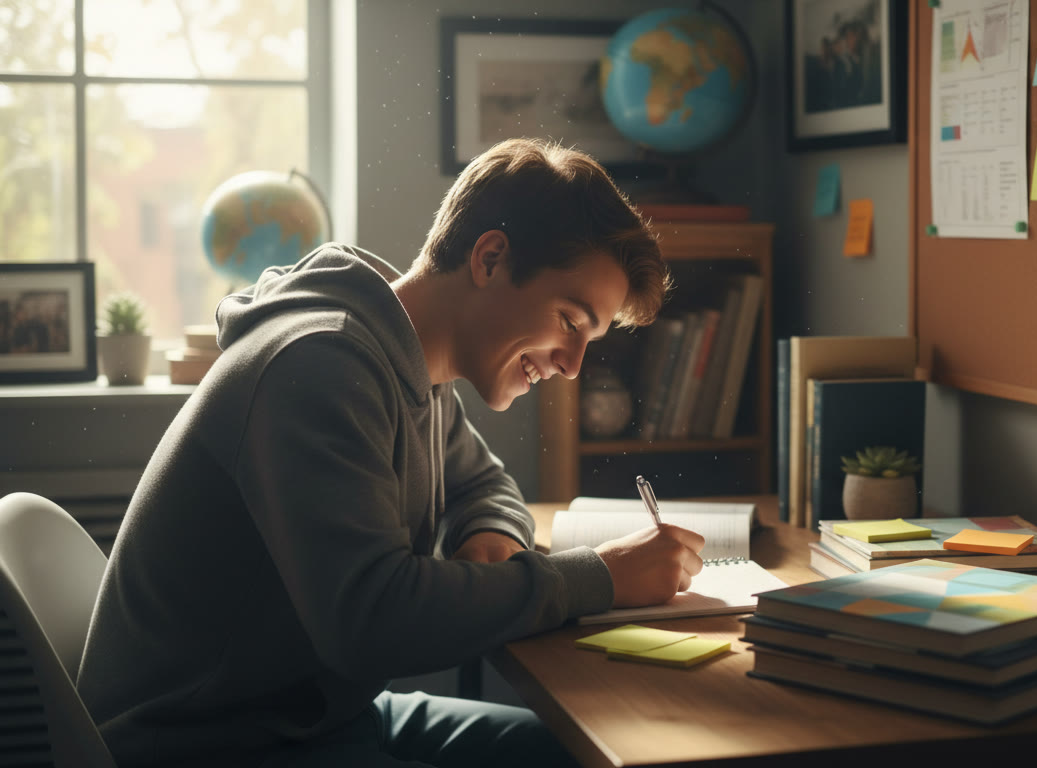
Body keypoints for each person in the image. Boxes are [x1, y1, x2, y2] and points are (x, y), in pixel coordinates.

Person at [77, 138, 707, 768]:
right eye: (570, 320)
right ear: (489, 258)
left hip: (313, 719)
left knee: (580, 755)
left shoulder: (409, 361)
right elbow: (371, 622)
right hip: (208, 745)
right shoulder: (321, 367)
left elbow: (483, 485)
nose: (572, 367)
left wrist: (489, 532)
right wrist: (599, 577)